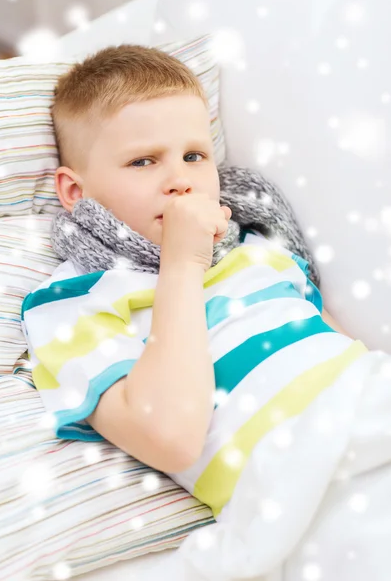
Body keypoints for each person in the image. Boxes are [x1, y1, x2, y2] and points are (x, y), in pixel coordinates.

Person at [22, 44, 362, 520]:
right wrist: (182, 265)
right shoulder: (70, 302)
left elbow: (351, 354)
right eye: (143, 161)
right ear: (75, 192)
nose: (181, 180)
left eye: (195, 155)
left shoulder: (257, 250)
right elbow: (171, 439)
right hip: (299, 486)